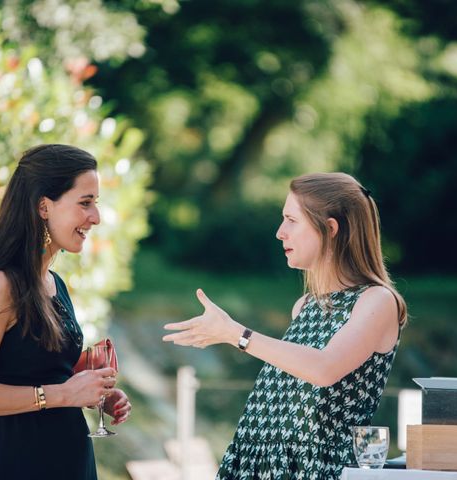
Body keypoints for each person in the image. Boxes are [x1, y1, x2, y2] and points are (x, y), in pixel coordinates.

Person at [163, 172, 407, 479]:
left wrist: (236, 334)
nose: (280, 232)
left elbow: (324, 368)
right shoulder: (304, 306)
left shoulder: (377, 301)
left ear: (330, 229)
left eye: (292, 220)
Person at [0, 144, 132, 480]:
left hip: (69, 460)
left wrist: (92, 394)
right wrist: (64, 393)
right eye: (85, 203)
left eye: (96, 203)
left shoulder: (54, 282)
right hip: (18, 462)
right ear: (44, 206)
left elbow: (39, 373)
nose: (96, 217)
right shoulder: (1, 286)